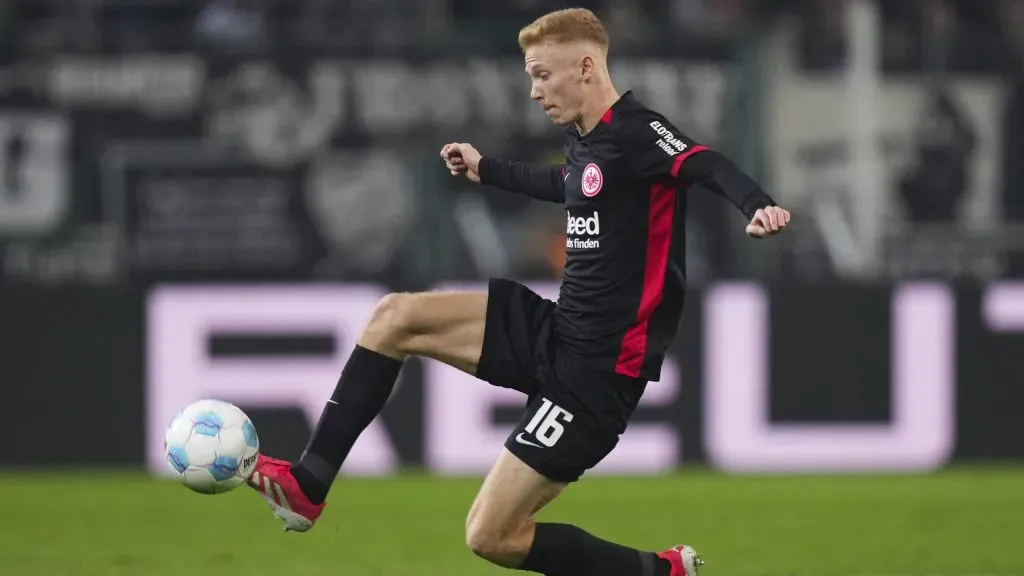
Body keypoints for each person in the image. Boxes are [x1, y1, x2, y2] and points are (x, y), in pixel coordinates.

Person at [246, 7, 791, 576]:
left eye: (541, 74)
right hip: (554, 332)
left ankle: (660, 572)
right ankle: (308, 486)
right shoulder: (586, 141)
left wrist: (757, 205)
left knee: (491, 536)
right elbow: (567, 184)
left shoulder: (636, 130)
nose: (534, 92)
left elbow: (704, 163)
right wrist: (488, 170)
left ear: (585, 67)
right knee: (393, 317)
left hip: (596, 378)